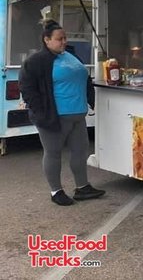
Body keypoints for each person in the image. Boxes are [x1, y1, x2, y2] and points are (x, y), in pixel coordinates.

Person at [19, 19, 105, 206]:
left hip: (78, 114)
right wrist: (41, 113)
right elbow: (27, 89)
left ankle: (82, 187)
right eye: (59, 39)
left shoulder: (71, 55)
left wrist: (92, 101)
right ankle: (56, 191)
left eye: (65, 38)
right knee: (53, 153)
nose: (64, 41)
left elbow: (85, 79)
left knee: (80, 151)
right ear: (47, 40)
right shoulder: (36, 61)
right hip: (54, 117)